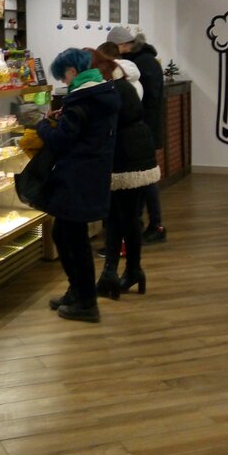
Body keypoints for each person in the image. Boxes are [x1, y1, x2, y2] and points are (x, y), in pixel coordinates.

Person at [36, 48, 120, 323]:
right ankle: (78, 292)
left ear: (72, 71)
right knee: (64, 234)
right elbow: (84, 130)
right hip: (92, 173)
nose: (64, 81)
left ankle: (86, 302)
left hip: (76, 176)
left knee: (73, 239)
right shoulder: (102, 92)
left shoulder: (80, 99)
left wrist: (42, 126)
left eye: (63, 76)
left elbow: (62, 141)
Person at [88, 49, 160, 298]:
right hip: (135, 153)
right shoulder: (122, 84)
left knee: (125, 217)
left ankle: (128, 270)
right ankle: (119, 272)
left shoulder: (112, 90)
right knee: (121, 216)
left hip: (127, 157)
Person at [106, 26, 167, 244]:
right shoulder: (144, 61)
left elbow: (147, 99)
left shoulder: (139, 64)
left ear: (123, 45)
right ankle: (142, 223)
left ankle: (153, 225)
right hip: (145, 129)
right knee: (145, 179)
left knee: (145, 179)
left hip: (141, 130)